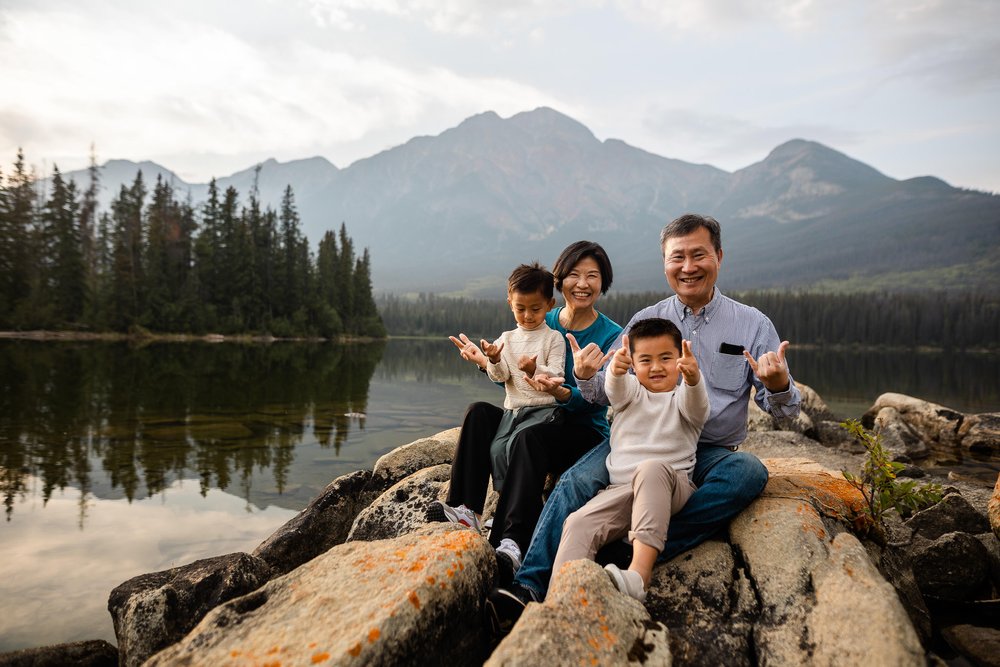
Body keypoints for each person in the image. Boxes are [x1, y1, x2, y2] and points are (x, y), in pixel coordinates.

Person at [487, 213, 801, 633]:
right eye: (677, 258)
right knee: (576, 484)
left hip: (708, 452)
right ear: (665, 264)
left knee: (747, 473)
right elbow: (603, 392)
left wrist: (778, 386)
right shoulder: (644, 321)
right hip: (639, 441)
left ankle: (628, 554)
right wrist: (584, 374)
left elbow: (785, 412)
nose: (687, 267)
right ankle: (528, 587)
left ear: (719, 257)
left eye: (698, 255)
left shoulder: (752, 324)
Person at [433, 242, 622, 585]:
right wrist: (486, 362)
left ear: (602, 283)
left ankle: (513, 541)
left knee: (530, 438)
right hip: (536, 414)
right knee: (478, 413)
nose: (582, 283)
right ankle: (464, 510)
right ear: (558, 283)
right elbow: (519, 388)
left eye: (592, 276)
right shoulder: (538, 316)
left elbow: (604, 399)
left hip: (582, 428)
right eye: (574, 275)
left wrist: (561, 391)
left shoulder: (612, 335)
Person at [551, 318, 709, 603]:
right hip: (622, 491)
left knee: (651, 469)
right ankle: (562, 601)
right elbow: (616, 389)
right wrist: (616, 370)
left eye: (666, 358)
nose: (657, 367)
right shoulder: (632, 393)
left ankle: (639, 574)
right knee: (577, 523)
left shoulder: (684, 396)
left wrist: (695, 379)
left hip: (672, 486)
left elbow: (698, 407)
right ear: (634, 364)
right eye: (645, 360)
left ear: (679, 360)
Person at [427, 262, 564, 531]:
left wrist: (535, 369)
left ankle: (509, 520)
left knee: (515, 445)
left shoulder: (553, 339)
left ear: (549, 304)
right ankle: (465, 510)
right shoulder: (507, 338)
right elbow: (501, 377)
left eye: (535, 309)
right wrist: (493, 359)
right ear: (509, 303)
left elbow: (556, 375)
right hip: (513, 411)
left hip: (543, 414)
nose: (527, 315)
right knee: (484, 424)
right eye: (520, 308)